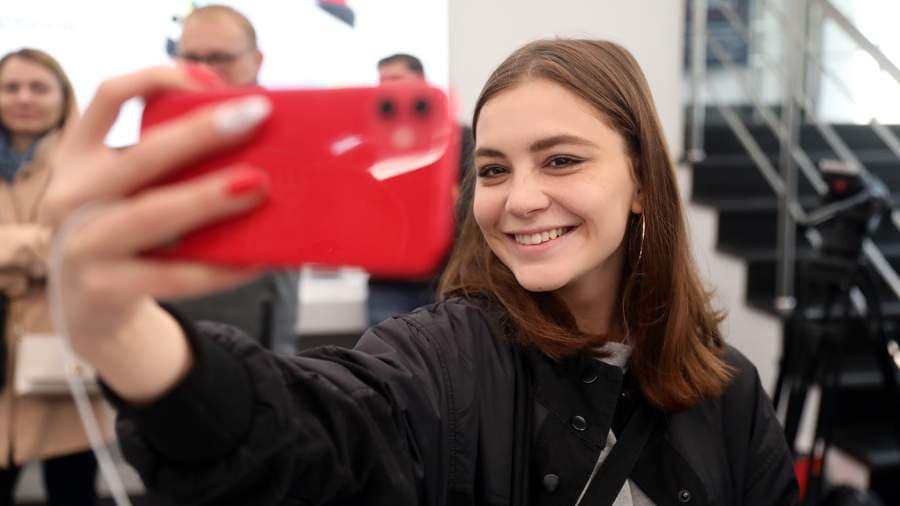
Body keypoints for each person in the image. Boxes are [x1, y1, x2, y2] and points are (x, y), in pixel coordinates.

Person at [41, 39, 798, 505]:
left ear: (640, 183)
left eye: (562, 160)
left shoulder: (729, 389)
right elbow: (317, 435)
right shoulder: (444, 358)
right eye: (493, 169)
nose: (520, 200)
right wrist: (123, 333)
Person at [0, 48, 106, 506]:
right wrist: (40, 248)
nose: (23, 97)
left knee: (72, 489)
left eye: (38, 87)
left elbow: (88, 244)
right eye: (10, 87)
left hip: (65, 353)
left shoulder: (93, 164)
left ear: (63, 96)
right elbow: (54, 245)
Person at [170, 4, 300, 354]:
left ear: (256, 61)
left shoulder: (287, 127)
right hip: (169, 314)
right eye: (191, 58)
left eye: (219, 58)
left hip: (256, 314)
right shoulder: (163, 131)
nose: (203, 71)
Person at [368, 53, 475, 326]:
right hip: (387, 275)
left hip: (446, 273)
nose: (387, 87)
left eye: (396, 78)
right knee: (382, 348)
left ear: (422, 82)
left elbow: (471, 203)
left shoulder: (458, 137)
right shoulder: (372, 143)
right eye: (382, 80)